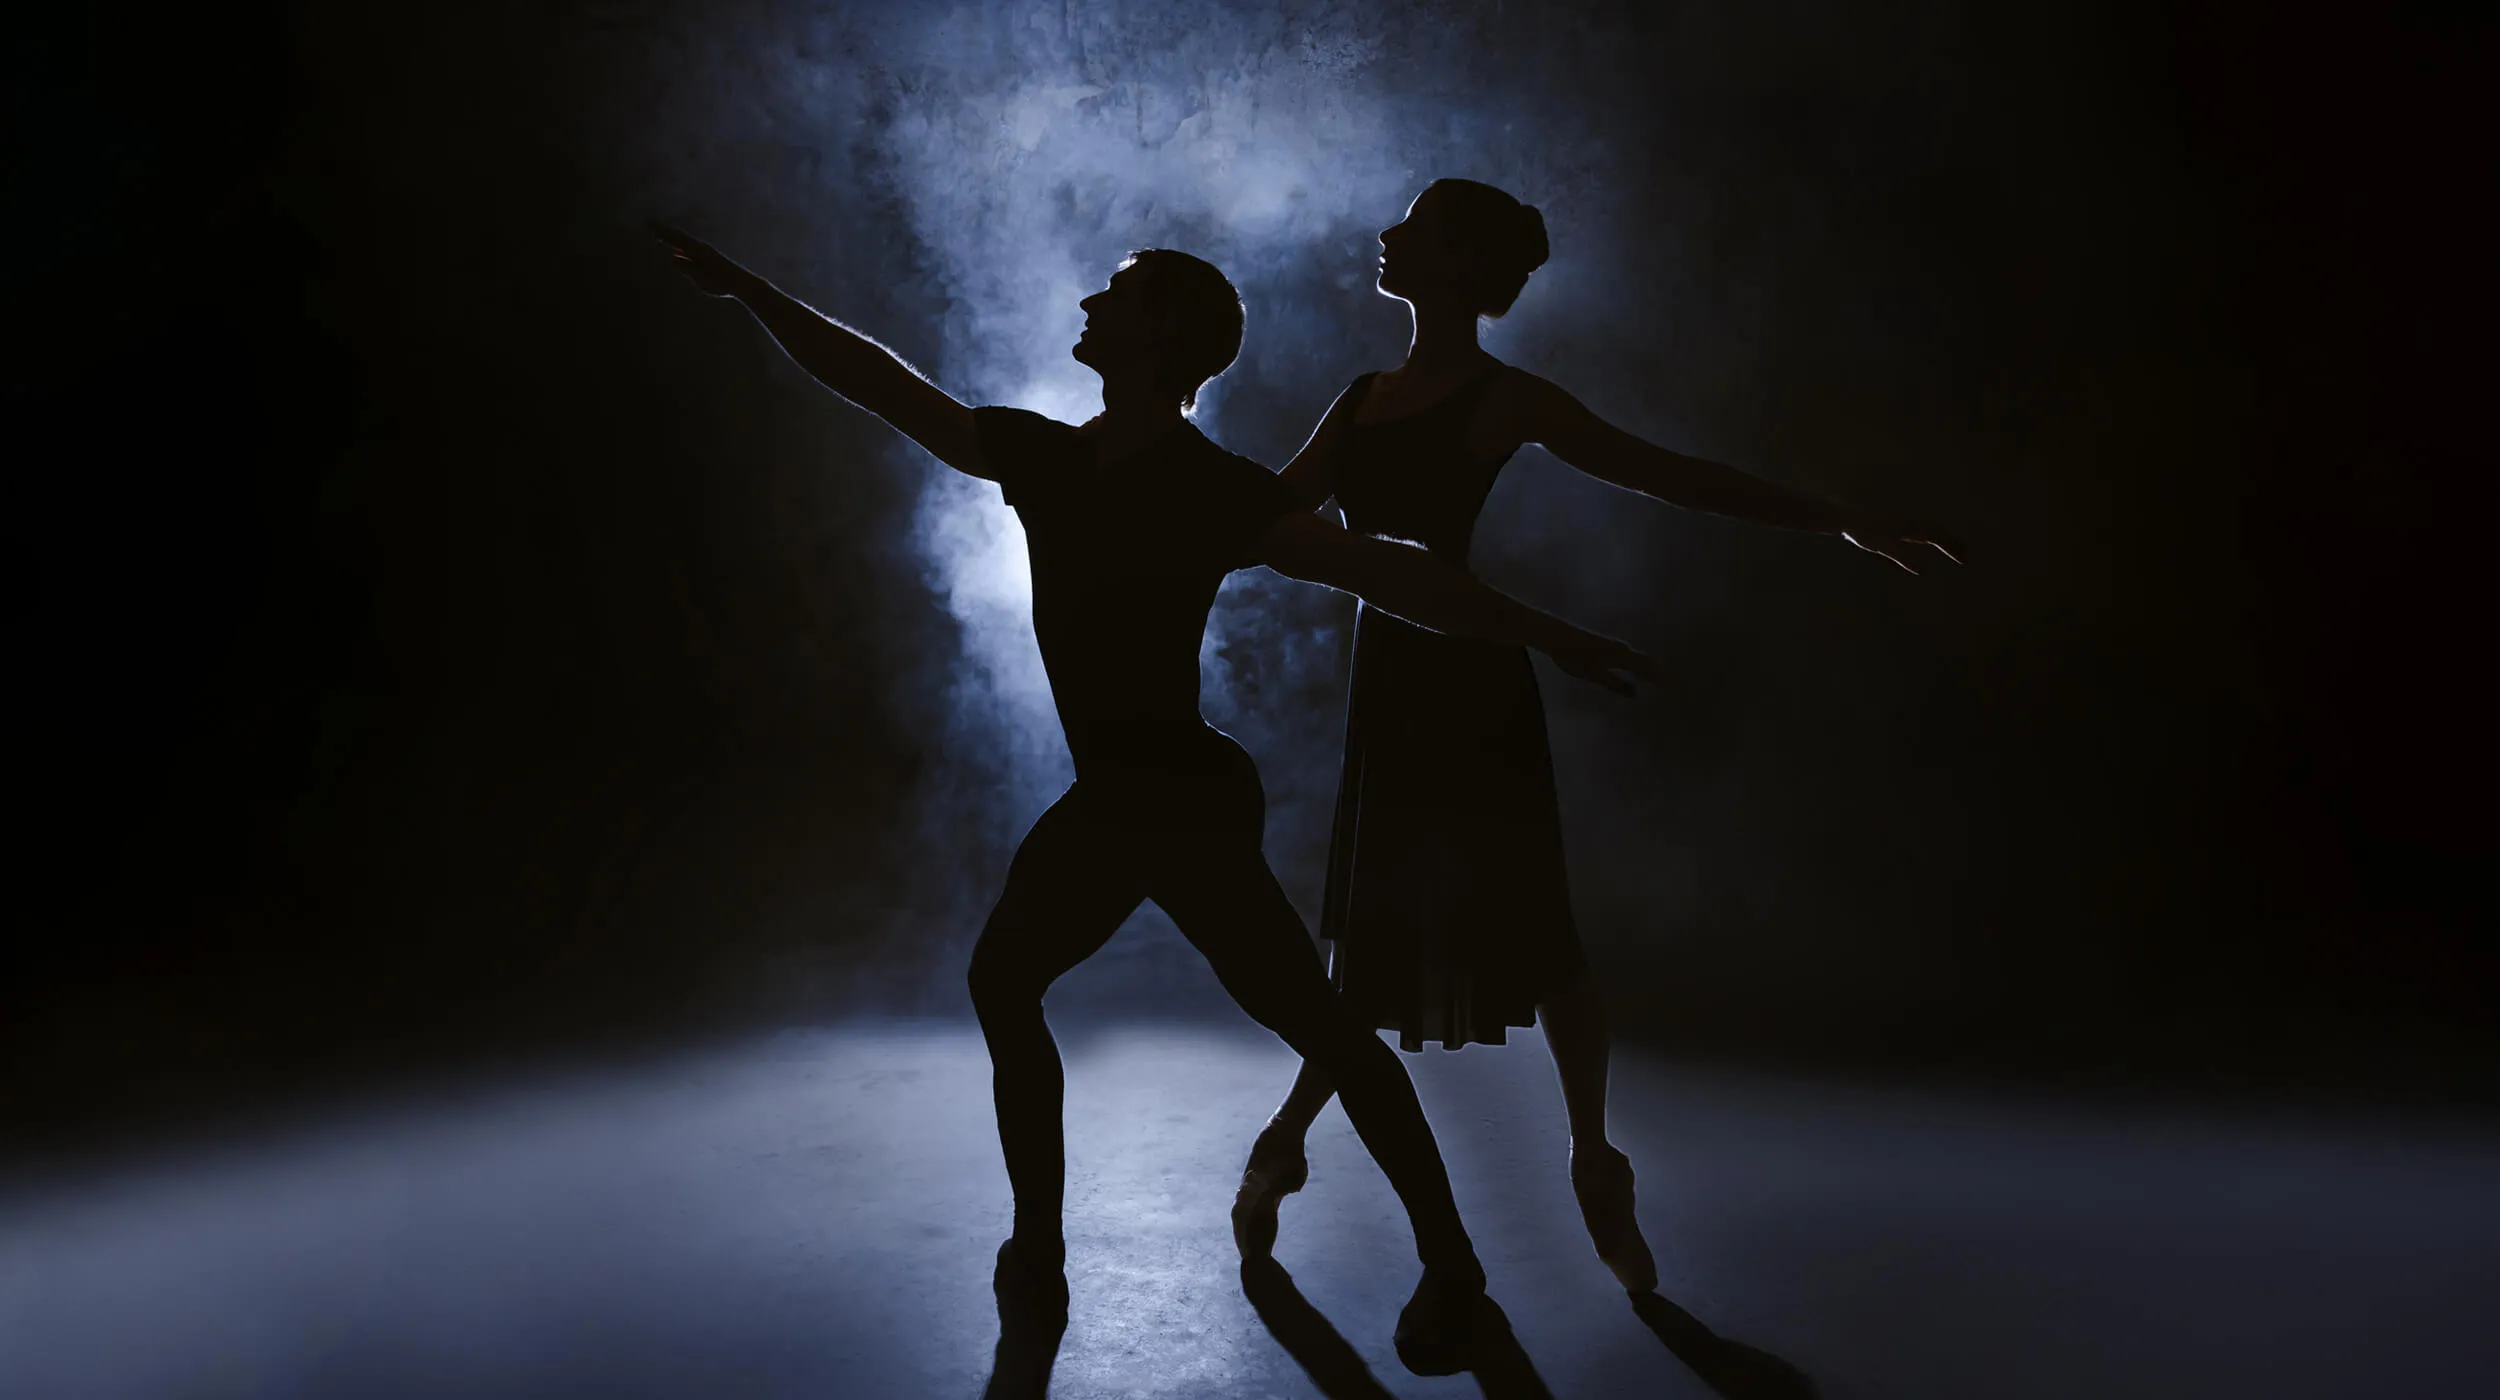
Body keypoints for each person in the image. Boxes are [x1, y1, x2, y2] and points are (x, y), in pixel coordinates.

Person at [652, 222, 1654, 1372]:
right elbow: (880, 383)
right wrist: (750, 289)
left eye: (1117, 294)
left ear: (1163, 332)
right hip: (1121, 795)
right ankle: (1041, 1248)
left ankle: (1448, 1269)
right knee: (1020, 981)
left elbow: (1390, 571)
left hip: (1180, 802)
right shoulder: (1044, 457)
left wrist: (1547, 632)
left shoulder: (1211, 488)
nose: (1091, 303)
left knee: (1316, 1024)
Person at [1231, 179, 1962, 1293]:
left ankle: (1588, 1151)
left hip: (1473, 675)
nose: (1385, 236)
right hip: (1394, 679)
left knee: (1534, 924)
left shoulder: (1504, 398)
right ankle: (1289, 1138)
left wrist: (1837, 520)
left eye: (1413, 228)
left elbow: (1666, 474)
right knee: (1375, 929)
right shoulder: (1362, 395)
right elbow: (1267, 512)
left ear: (1458, 262)